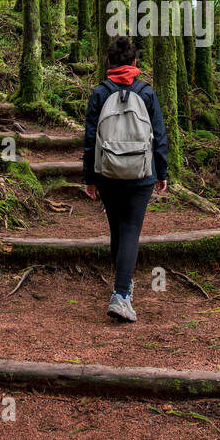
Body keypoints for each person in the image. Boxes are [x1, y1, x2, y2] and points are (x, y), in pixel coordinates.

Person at [83, 36, 168, 322]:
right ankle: (121, 294)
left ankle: (123, 288)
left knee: (117, 230)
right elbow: (159, 134)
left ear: (109, 63)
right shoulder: (146, 92)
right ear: (134, 63)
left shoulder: (99, 93)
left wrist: (89, 177)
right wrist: (162, 171)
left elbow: (90, 139)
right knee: (131, 229)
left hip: (107, 171)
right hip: (141, 173)